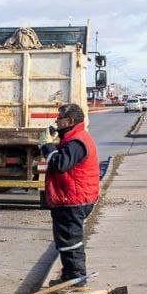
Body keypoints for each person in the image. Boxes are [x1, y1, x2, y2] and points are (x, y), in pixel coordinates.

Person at [40, 102, 100, 283]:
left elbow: (60, 164)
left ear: (70, 120)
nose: (57, 122)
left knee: (70, 241)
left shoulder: (77, 142)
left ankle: (76, 278)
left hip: (73, 199)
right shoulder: (73, 138)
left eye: (60, 119)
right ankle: (70, 275)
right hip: (71, 197)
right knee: (65, 240)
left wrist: (46, 146)